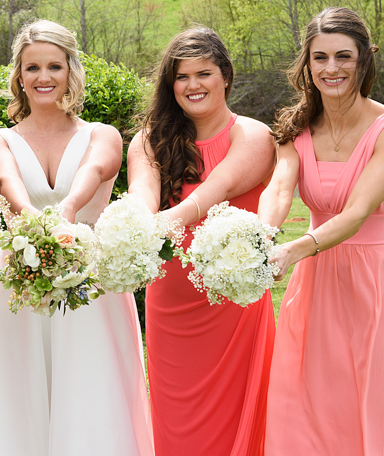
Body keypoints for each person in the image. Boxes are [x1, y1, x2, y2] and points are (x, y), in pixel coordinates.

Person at [0, 20, 153, 456]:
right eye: (32, 68)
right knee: (19, 384)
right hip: (20, 276)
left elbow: (96, 169)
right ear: (19, 76)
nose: (43, 77)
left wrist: (67, 213)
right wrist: (34, 220)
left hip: (90, 279)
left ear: (71, 71)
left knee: (90, 382)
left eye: (54, 66)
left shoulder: (102, 134)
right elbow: (4, 177)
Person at [259, 7, 384, 455]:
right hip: (312, 284)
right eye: (320, 57)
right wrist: (257, 238)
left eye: (343, 56)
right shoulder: (296, 128)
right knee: (302, 401)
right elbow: (278, 190)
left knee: (372, 401)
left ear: (364, 60)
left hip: (371, 281)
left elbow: (355, 213)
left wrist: (293, 249)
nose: (332, 68)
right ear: (307, 65)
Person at [128, 26, 277, 455]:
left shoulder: (252, 134)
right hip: (170, 303)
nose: (193, 85)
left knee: (239, 412)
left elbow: (221, 185)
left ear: (226, 76)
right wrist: (133, 220)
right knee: (175, 418)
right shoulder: (149, 139)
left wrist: (169, 218)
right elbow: (143, 191)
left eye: (204, 73)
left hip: (233, 301)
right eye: (181, 76)